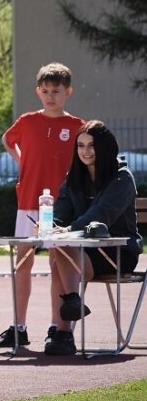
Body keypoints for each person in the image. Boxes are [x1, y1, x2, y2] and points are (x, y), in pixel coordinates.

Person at [0, 62, 85, 349]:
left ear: (67, 92)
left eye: (56, 91)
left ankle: (60, 328)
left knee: (59, 264)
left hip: (62, 208)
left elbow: (87, 159)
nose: (50, 96)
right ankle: (18, 326)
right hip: (29, 201)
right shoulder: (27, 121)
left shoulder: (77, 126)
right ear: (38, 91)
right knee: (22, 262)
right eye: (45, 91)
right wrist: (24, 163)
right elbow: (8, 140)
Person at [45, 120, 143, 355]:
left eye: (91, 146)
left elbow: (100, 215)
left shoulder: (121, 178)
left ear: (105, 148)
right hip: (82, 251)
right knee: (58, 249)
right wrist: (52, 226)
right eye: (80, 146)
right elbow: (60, 212)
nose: (85, 152)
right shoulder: (74, 176)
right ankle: (71, 306)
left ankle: (63, 331)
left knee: (60, 251)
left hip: (118, 252)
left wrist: (68, 231)